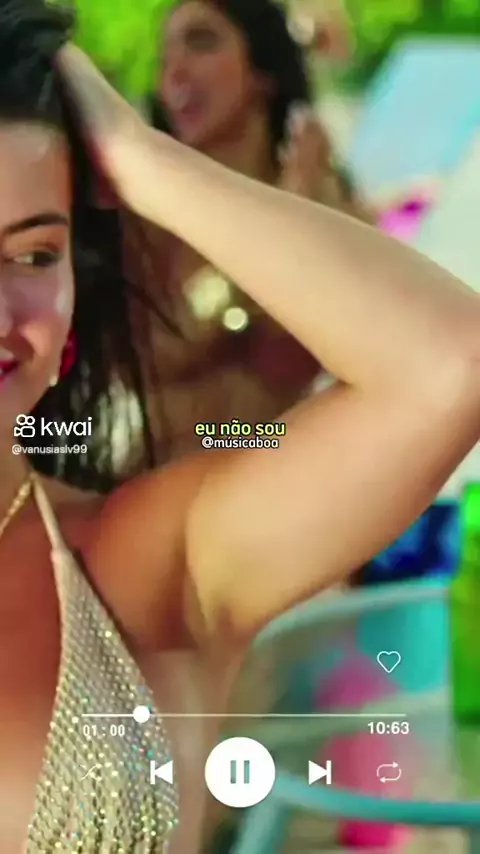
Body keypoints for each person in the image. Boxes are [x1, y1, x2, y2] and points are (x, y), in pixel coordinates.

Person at [2, 1, 480, 850]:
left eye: (35, 254)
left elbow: (445, 365)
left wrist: (144, 161)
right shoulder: (156, 252)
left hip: (257, 485)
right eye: (170, 48)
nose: (175, 71)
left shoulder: (131, 572)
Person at [120, 0, 369, 468]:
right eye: (165, 55)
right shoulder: (144, 216)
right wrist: (280, 235)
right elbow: (164, 350)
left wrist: (300, 219)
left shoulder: (322, 199)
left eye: (201, 43)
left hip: (292, 473)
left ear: (262, 70)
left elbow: (354, 353)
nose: (174, 70)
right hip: (159, 480)